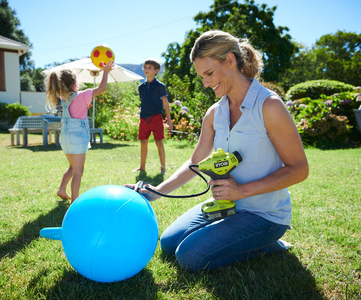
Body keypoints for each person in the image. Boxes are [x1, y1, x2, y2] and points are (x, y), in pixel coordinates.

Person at [126, 30, 309, 272]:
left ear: (231, 60)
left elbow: (299, 169)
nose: (205, 83)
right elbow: (196, 161)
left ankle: (268, 243)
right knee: (169, 244)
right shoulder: (214, 113)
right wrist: (158, 191)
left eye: (209, 73)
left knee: (188, 257)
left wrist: (241, 190)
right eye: (202, 76)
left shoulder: (269, 106)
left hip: (264, 215)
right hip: (225, 207)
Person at [46, 61, 114, 202]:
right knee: (78, 171)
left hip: (65, 138)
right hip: (77, 138)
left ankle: (62, 189)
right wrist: (105, 71)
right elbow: (101, 88)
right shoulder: (82, 95)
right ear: (73, 82)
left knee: (72, 167)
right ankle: (74, 201)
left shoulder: (64, 98)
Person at [133, 58, 173, 175]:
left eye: (149, 67)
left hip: (156, 118)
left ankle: (163, 168)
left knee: (159, 142)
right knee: (143, 142)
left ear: (156, 70)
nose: (146, 69)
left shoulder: (160, 86)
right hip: (144, 118)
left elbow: (165, 104)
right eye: (145, 67)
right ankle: (142, 167)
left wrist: (169, 121)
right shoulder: (141, 87)